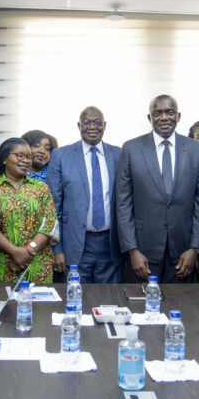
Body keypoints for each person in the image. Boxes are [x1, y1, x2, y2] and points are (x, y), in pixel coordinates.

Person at [116, 94, 199, 283]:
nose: (164, 117)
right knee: (141, 301)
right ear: (149, 118)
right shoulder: (131, 149)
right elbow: (123, 204)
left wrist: (194, 249)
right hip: (143, 252)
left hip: (183, 253)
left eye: (170, 112)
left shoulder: (196, 150)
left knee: (182, 302)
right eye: (157, 113)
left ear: (178, 116)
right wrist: (132, 250)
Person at [46, 106, 122, 283]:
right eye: (86, 123)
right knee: (74, 296)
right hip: (74, 245)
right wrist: (56, 249)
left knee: (109, 297)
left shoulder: (119, 154)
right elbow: (52, 207)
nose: (92, 127)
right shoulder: (61, 156)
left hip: (111, 245)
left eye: (97, 123)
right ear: (79, 126)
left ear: (105, 125)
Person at [0, 138, 59, 283]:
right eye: (19, 155)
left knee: (39, 298)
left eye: (28, 157)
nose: (25, 160)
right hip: (3, 262)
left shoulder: (41, 188)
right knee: (3, 297)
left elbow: (50, 223)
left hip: (37, 262)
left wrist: (28, 251)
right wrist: (14, 252)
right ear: (4, 159)